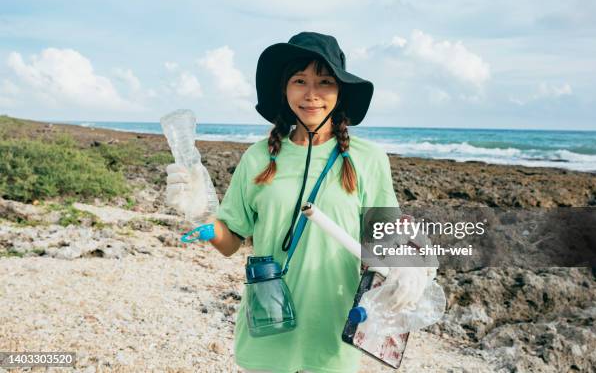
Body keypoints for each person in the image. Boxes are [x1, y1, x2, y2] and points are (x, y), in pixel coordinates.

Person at [165, 32, 430, 373]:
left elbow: (387, 239)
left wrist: (411, 263)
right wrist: (197, 209)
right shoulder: (257, 157)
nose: (312, 94)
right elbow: (230, 240)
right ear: (284, 89)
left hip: (334, 334)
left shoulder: (369, 159)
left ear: (340, 90)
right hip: (268, 329)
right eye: (299, 80)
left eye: (325, 81)